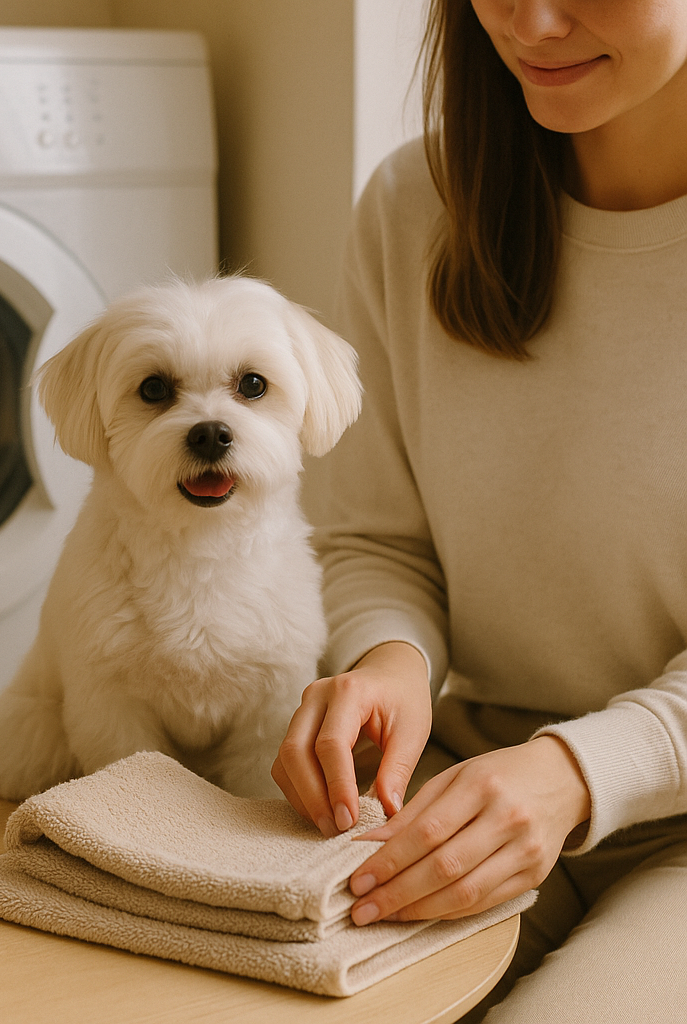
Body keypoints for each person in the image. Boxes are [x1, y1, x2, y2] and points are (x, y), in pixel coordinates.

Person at [271, 1, 687, 1019]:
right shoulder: (417, 203)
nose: (533, 22)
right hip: (472, 776)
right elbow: (377, 537)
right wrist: (388, 660)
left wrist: (574, 774)